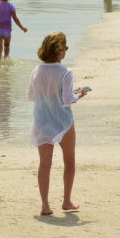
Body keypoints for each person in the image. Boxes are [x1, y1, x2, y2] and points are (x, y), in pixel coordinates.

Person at [29, 32, 90, 216]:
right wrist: (79, 95)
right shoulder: (65, 72)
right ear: (59, 51)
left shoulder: (36, 70)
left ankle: (45, 206)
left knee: (44, 165)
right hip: (63, 121)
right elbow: (67, 100)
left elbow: (31, 96)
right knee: (69, 161)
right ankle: (66, 201)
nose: (65, 52)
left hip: (41, 121)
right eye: (64, 48)